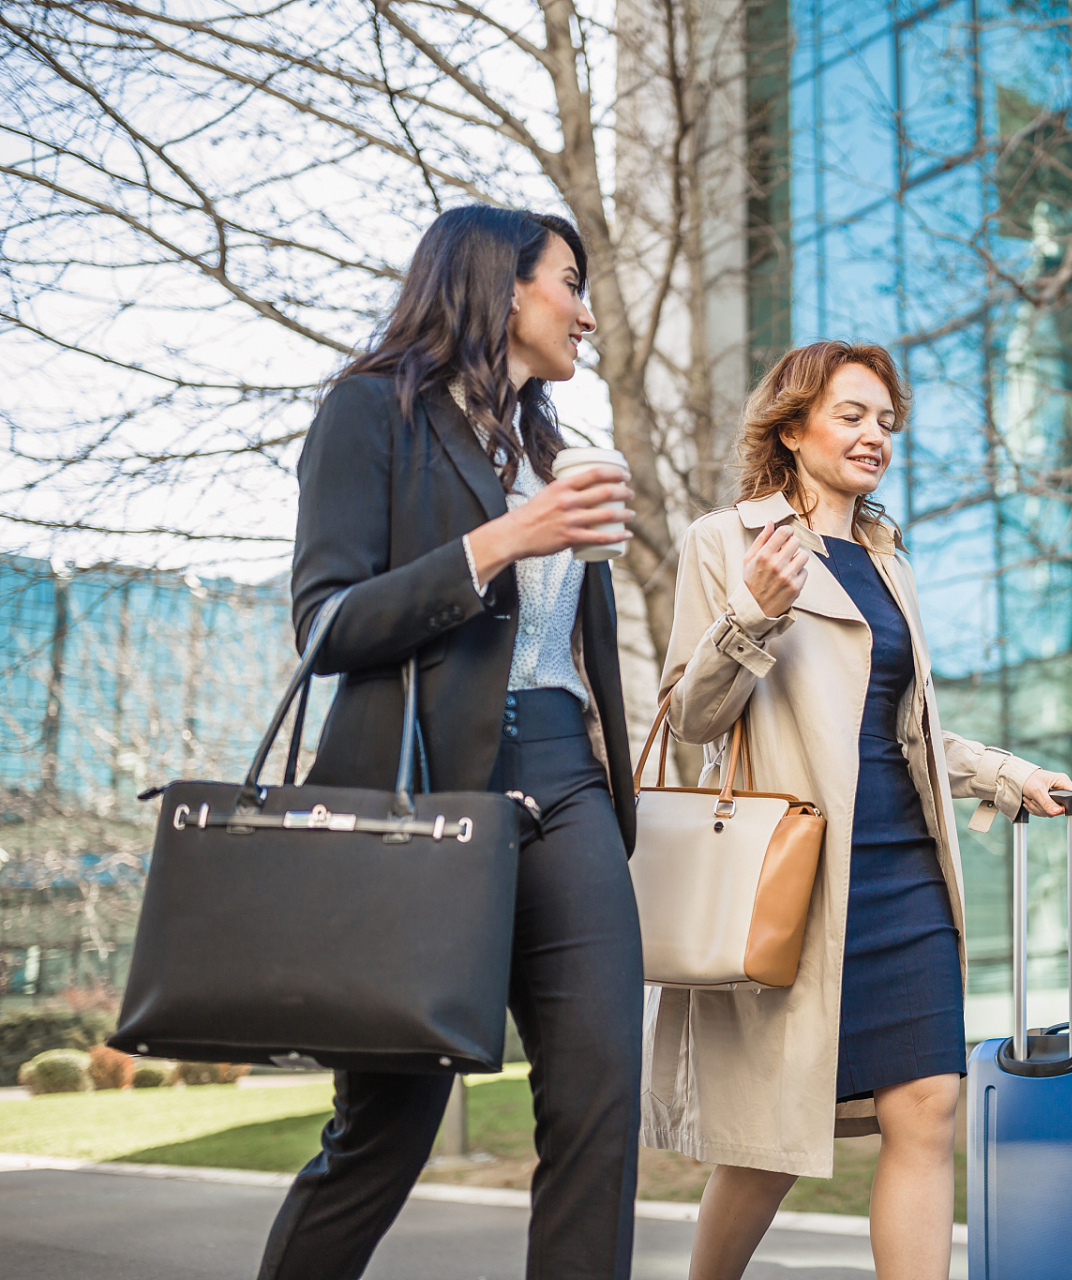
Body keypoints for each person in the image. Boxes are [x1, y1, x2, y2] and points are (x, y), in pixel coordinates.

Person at [263, 205, 646, 1280]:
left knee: (600, 1098)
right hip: (423, 803)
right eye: (570, 282)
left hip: (566, 782)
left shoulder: (553, 448)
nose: (586, 312)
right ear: (501, 284)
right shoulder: (368, 410)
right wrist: (503, 542)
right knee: (388, 1127)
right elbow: (328, 623)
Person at [645, 340, 1072, 1280]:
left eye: (885, 420)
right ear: (793, 429)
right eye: (851, 415)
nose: (874, 434)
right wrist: (752, 612)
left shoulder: (885, 557)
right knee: (770, 1144)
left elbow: (903, 729)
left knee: (925, 1104)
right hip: (801, 872)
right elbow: (690, 720)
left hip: (906, 864)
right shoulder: (728, 540)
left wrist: (1002, 773)